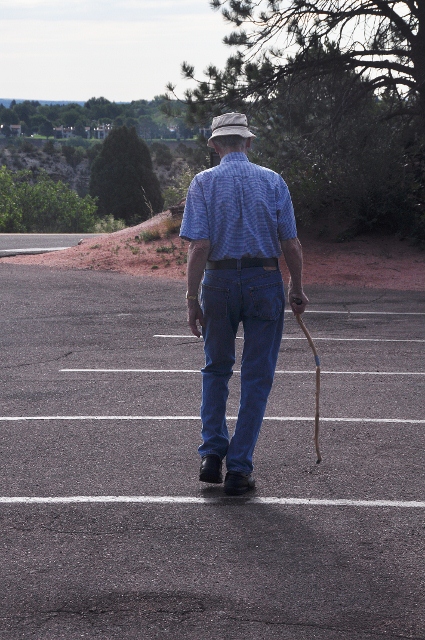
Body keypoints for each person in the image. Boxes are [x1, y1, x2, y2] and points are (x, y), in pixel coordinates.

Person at [180, 112, 308, 495]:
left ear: (216, 144)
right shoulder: (272, 181)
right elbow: (291, 244)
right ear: (248, 142)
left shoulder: (202, 183)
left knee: (215, 369)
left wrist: (191, 297)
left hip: (217, 281)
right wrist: (297, 287)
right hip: (263, 279)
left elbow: (199, 245)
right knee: (257, 377)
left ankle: (211, 454)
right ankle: (239, 468)